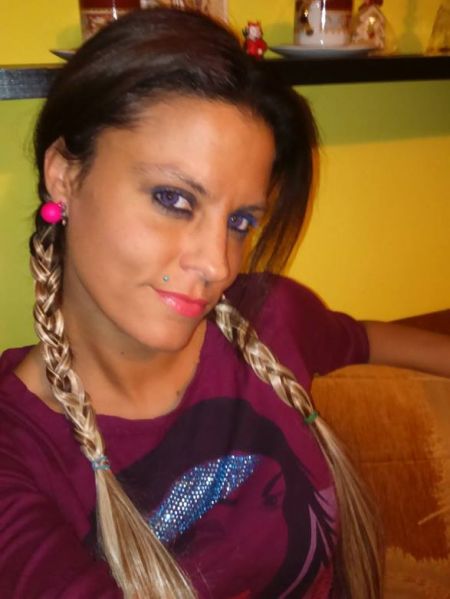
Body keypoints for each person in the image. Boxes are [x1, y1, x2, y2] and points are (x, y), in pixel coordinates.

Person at [0, 7, 448, 599]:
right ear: (63, 174)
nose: (217, 264)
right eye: (173, 199)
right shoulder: (17, 449)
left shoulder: (267, 319)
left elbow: (367, 337)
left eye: (240, 222)